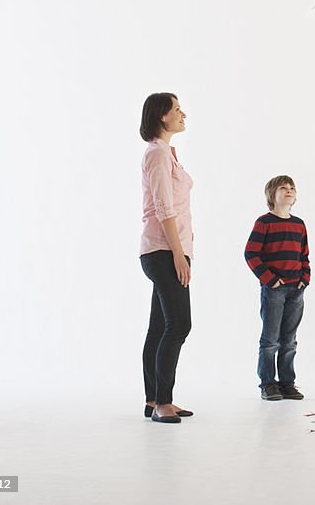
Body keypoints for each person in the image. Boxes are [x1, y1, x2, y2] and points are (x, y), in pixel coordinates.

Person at [139, 93, 194, 424]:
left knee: (160, 327)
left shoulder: (165, 154)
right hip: (163, 249)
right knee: (179, 324)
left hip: (168, 248)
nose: (183, 114)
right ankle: (162, 401)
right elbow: (164, 208)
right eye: (176, 109)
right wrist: (178, 253)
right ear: (162, 116)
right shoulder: (157, 155)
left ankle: (154, 400)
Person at [244, 175, 311, 401]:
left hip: (296, 289)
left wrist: (305, 278)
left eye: (292, 187)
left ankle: (287, 383)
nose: (289, 190)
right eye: (283, 187)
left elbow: (304, 255)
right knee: (270, 339)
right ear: (271, 195)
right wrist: (270, 280)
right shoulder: (264, 222)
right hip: (274, 289)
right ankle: (268, 384)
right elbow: (251, 254)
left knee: (289, 339)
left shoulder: (299, 224)